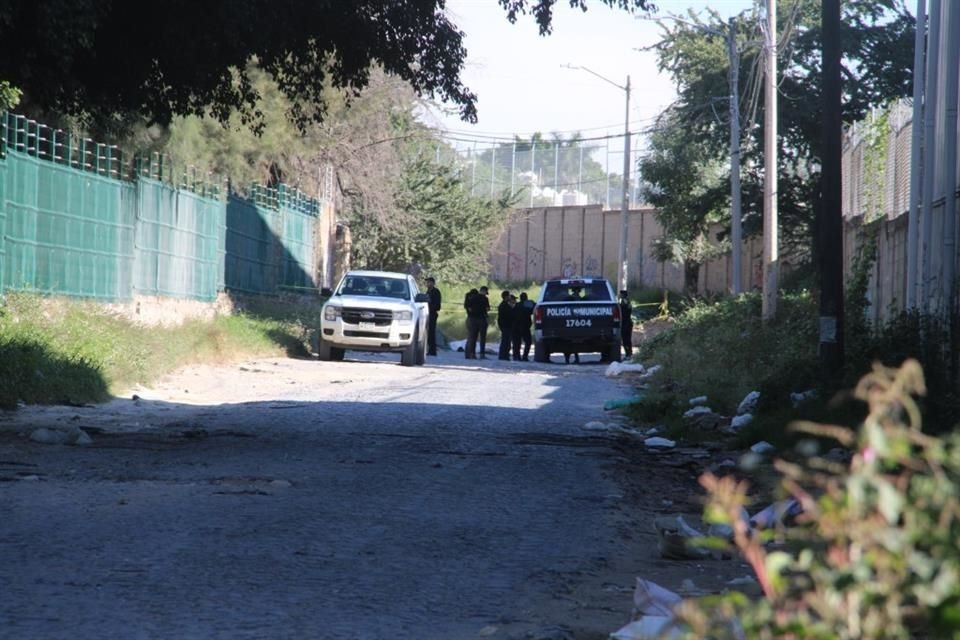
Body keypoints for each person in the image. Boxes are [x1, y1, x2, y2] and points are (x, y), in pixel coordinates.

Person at [511, 292, 534, 361]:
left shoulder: (516, 305)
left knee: (516, 343)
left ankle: (516, 356)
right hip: (525, 326)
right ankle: (524, 356)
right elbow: (533, 310)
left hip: (516, 326)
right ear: (526, 298)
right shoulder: (527, 305)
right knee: (528, 342)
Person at [463, 288, 483, 359]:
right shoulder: (478, 299)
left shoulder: (467, 299)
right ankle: (472, 354)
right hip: (476, 319)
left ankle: (468, 354)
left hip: (469, 319)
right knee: (473, 338)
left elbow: (468, 308)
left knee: (470, 337)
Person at [425, 277, 441, 356]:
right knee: (427, 332)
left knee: (431, 332)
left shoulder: (436, 292)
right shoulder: (428, 291)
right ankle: (429, 349)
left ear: (433, 283)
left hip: (433, 314)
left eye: (429, 282)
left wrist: (431, 308)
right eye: (427, 282)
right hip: (427, 313)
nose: (427, 284)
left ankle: (432, 350)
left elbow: (437, 305)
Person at [497, 290, 514, 361]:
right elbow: (508, 315)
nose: (510, 297)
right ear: (506, 296)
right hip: (506, 326)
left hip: (505, 325)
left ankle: (504, 355)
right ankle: (503, 355)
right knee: (506, 341)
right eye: (509, 296)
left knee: (506, 341)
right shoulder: (504, 306)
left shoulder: (505, 305)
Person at [476, 286, 491, 359]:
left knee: (473, 337)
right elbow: (488, 309)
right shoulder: (485, 299)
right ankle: (482, 354)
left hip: (474, 319)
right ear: (484, 291)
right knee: (482, 337)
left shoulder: (474, 297)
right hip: (482, 319)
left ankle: (471, 353)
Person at [619, 289, 634, 358]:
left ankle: (628, 353)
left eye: (621, 294)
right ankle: (629, 353)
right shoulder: (627, 301)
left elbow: (625, 311)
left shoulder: (625, 301)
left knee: (626, 339)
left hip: (626, 323)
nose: (620, 296)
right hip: (627, 322)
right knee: (627, 339)